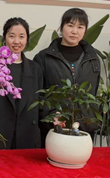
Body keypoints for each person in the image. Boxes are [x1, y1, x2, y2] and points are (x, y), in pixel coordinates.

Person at [34, 8, 104, 140]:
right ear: (61, 27)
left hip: (85, 128)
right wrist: (52, 115)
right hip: (55, 127)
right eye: (70, 25)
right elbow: (37, 95)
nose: (74, 31)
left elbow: (92, 93)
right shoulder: (43, 58)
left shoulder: (93, 58)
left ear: (85, 30)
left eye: (80, 27)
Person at [0, 18, 44, 149]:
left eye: (21, 36)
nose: (17, 41)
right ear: (4, 38)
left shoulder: (35, 69)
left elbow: (41, 102)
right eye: (12, 36)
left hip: (27, 136)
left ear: (27, 39)